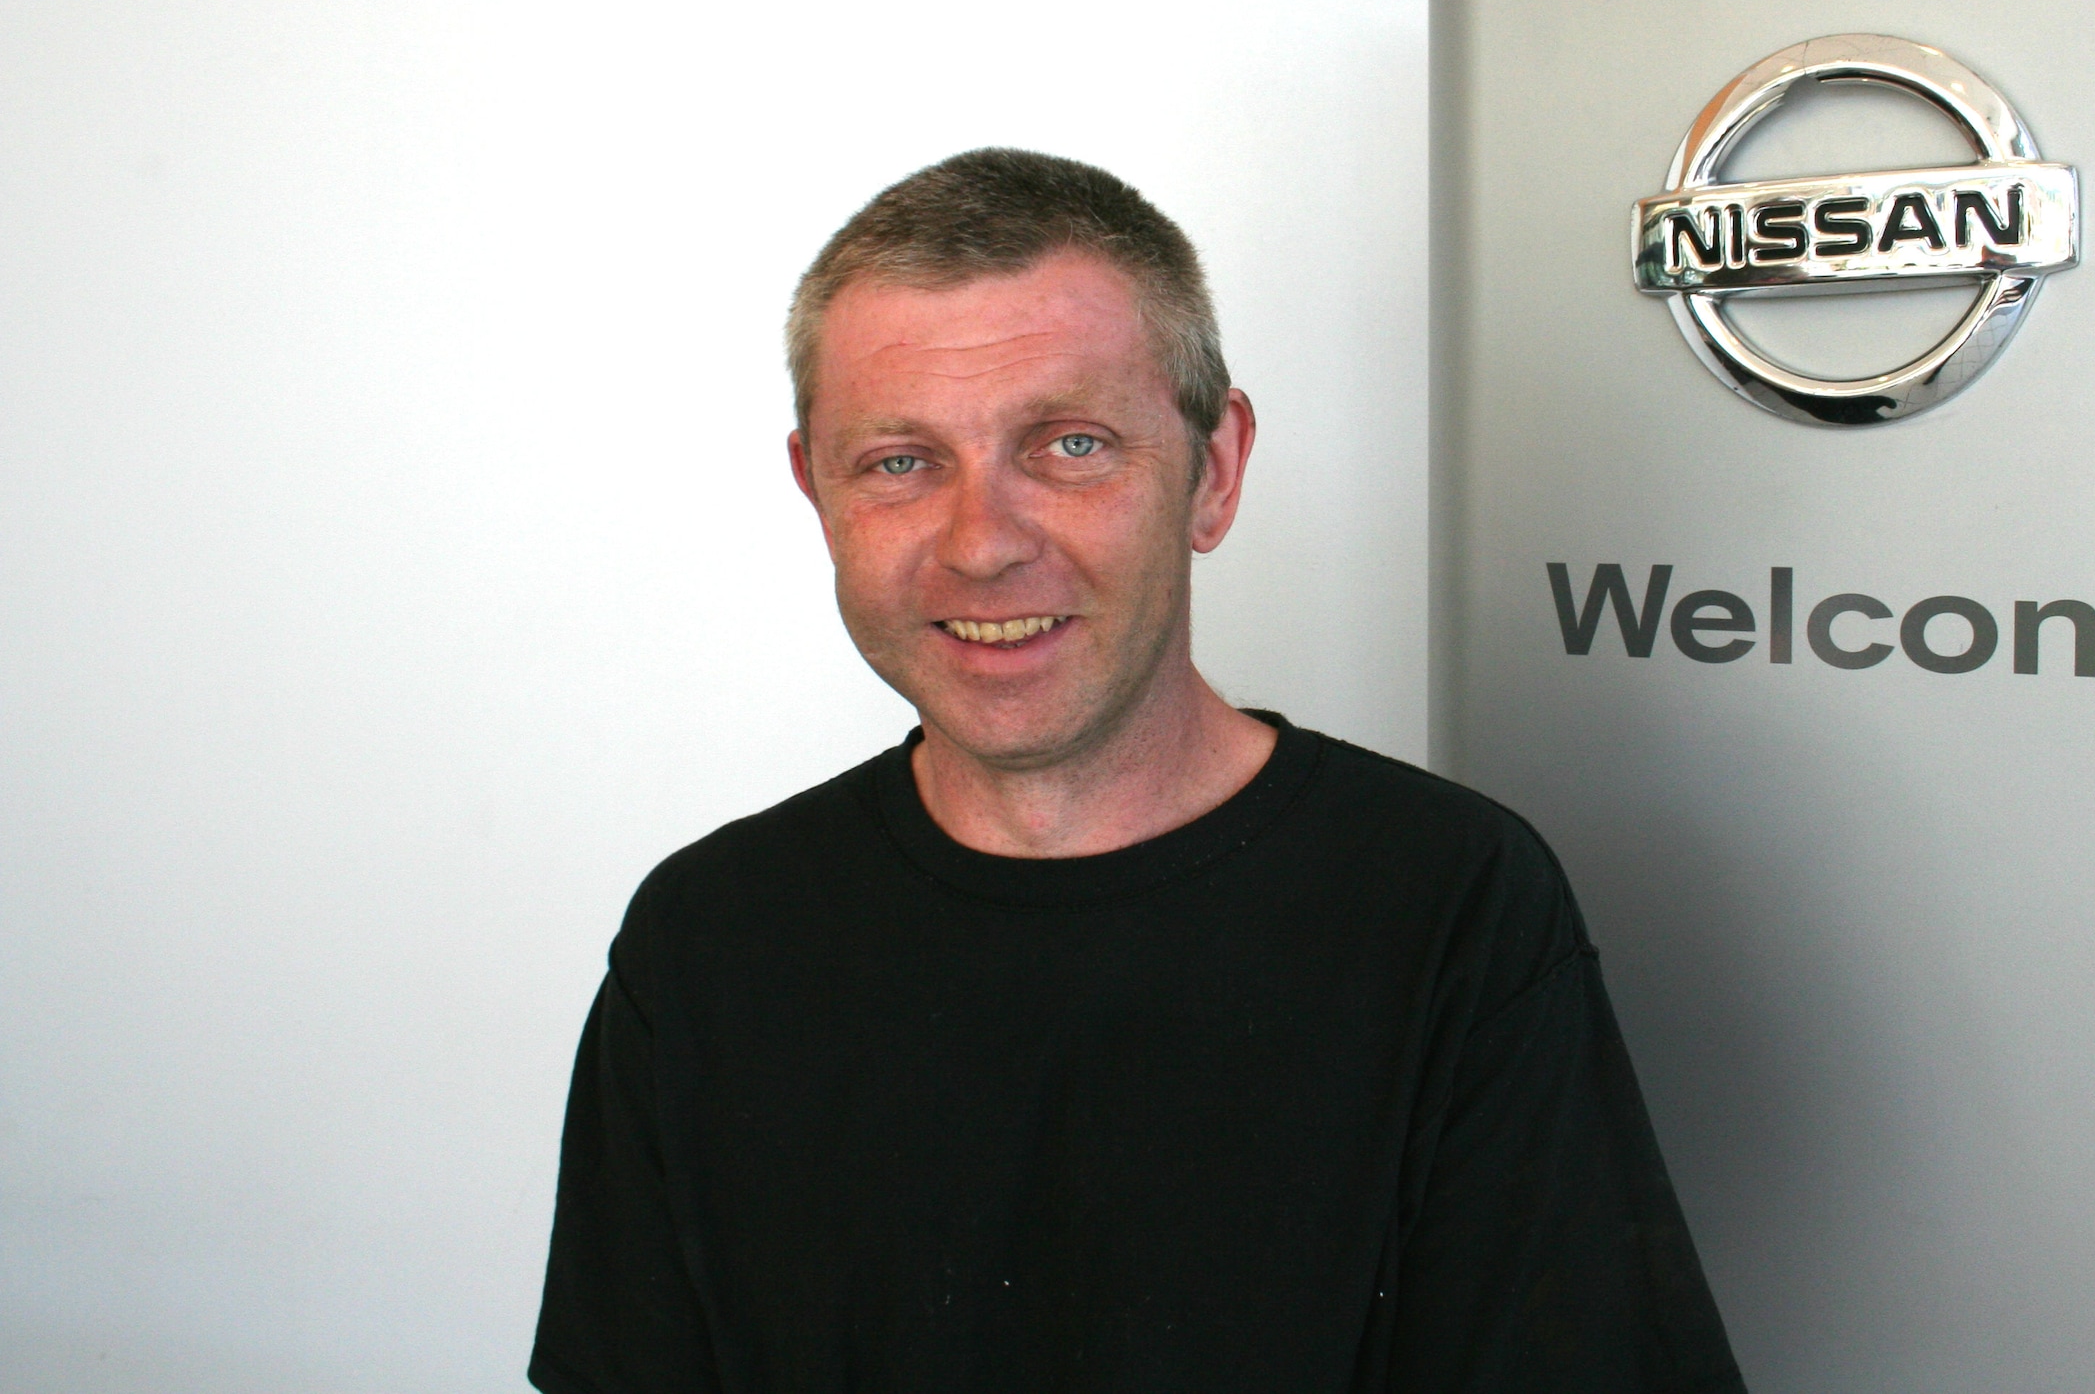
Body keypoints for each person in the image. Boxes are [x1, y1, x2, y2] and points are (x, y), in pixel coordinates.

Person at [528, 148, 1745, 1393]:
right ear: (817, 492)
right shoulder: (708, 937)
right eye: (899, 460)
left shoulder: (1447, 904)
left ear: (1212, 470)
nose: (982, 544)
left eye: (1069, 444)